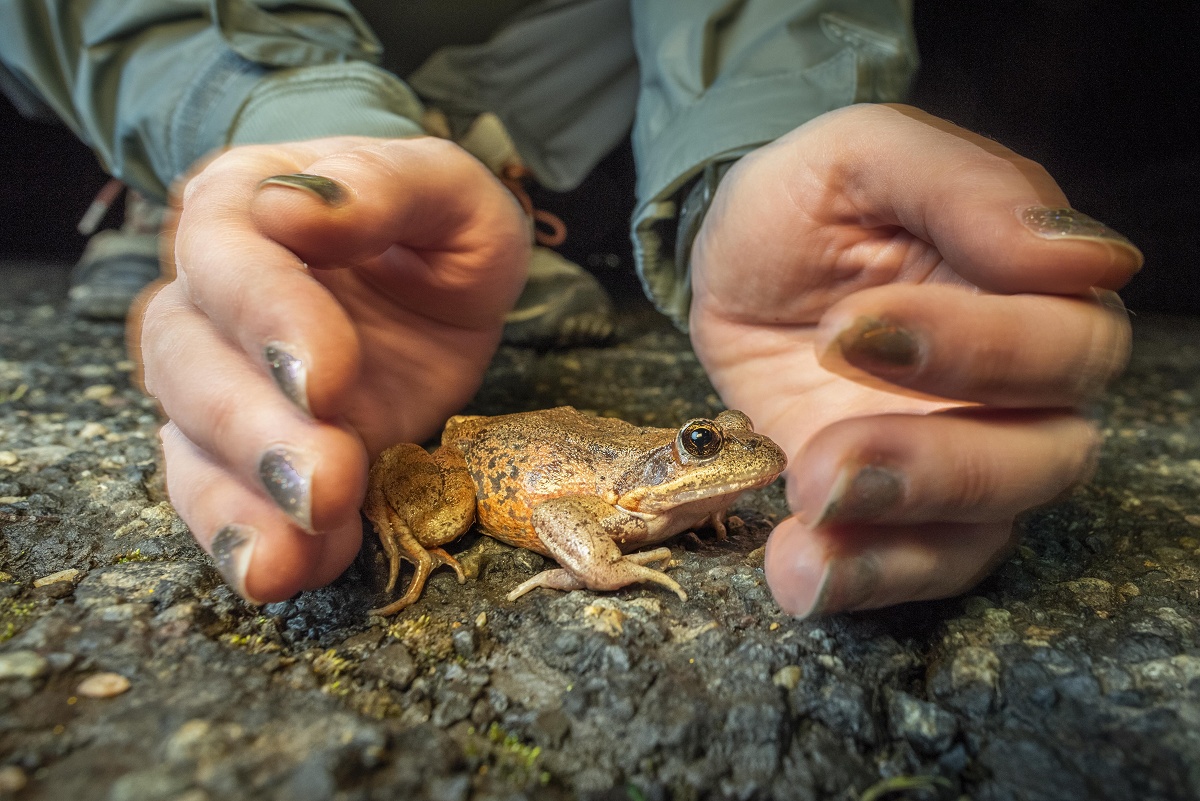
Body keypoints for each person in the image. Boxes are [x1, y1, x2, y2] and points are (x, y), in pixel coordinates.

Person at [0, 1, 1141, 618]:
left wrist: (758, 149)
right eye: (708, 452)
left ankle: (489, 174)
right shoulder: (620, 504)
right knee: (431, 515)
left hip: (575, 66)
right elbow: (560, 519)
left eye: (723, 449)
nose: (737, 458)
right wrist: (265, 130)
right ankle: (220, 172)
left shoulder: (675, 498)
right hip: (499, 461)